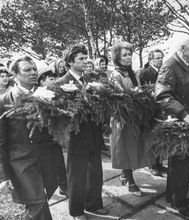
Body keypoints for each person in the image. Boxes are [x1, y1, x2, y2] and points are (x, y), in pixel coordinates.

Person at [0, 55, 58, 219]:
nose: (33, 73)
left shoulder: (45, 96)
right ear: (15, 75)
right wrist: (4, 176)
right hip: (21, 163)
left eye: (34, 69)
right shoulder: (4, 101)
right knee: (37, 204)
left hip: (45, 160)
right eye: (27, 70)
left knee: (41, 201)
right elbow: (1, 142)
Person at [55, 45, 108, 220]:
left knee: (95, 173)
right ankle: (76, 211)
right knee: (76, 176)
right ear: (70, 62)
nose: (85, 61)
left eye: (86, 58)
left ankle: (94, 204)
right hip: (75, 137)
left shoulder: (89, 80)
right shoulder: (61, 83)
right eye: (81, 59)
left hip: (93, 133)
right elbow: (59, 113)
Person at [155, 36, 189, 217]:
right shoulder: (170, 65)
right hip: (177, 122)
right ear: (183, 48)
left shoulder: (185, 65)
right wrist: (183, 114)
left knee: (180, 161)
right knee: (179, 162)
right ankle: (178, 202)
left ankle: (173, 195)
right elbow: (162, 95)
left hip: (185, 120)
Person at [110, 41, 153, 197]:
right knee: (125, 148)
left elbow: (139, 89)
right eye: (125, 55)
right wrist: (135, 96)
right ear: (117, 57)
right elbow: (119, 97)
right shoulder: (116, 74)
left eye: (130, 54)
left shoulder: (132, 73)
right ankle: (130, 181)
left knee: (133, 147)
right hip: (123, 117)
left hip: (135, 115)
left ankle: (124, 174)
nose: (128, 57)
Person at [38, 66, 68, 196]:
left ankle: (63, 186)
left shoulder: (57, 93)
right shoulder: (38, 94)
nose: (54, 81)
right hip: (43, 136)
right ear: (42, 82)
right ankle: (48, 188)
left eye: (55, 78)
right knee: (47, 164)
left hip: (55, 134)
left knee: (60, 161)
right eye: (51, 79)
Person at [139, 49, 167, 177]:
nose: (160, 60)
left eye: (161, 58)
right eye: (157, 58)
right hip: (150, 110)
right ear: (150, 60)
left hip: (162, 109)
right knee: (152, 137)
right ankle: (152, 165)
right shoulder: (145, 73)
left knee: (160, 136)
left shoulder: (164, 71)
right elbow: (144, 91)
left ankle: (159, 163)